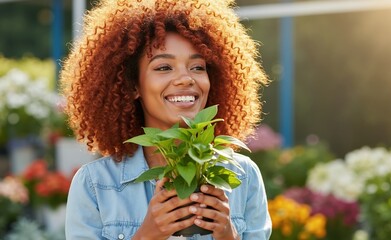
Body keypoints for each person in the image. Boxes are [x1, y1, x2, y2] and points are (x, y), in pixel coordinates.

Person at [60, 0, 271, 239]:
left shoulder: (243, 176)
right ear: (132, 86)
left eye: (198, 67)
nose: (185, 79)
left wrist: (226, 234)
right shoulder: (95, 185)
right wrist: (147, 235)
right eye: (163, 68)